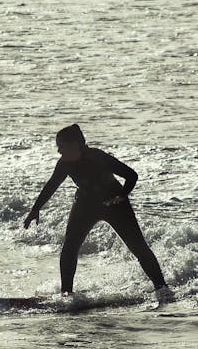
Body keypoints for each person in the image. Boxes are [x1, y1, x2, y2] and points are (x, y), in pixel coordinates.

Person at [23, 123, 172, 302]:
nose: (59, 152)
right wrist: (35, 209)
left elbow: (131, 175)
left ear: (75, 144)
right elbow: (52, 185)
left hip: (113, 203)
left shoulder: (98, 157)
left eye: (61, 147)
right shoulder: (64, 164)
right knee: (69, 248)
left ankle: (162, 289)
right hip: (86, 204)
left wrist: (122, 196)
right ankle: (66, 295)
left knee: (138, 248)